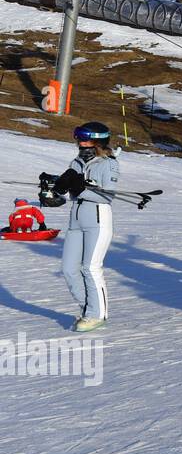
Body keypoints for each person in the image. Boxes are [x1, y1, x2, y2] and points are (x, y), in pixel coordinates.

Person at [39, 122, 119, 332]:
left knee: (90, 268)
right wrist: (54, 189)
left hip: (97, 217)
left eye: (86, 139)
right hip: (76, 219)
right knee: (69, 269)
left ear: (99, 141)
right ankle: (88, 310)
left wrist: (80, 188)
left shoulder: (108, 164)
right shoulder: (77, 161)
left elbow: (107, 195)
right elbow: (68, 190)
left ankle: (97, 315)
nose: (81, 143)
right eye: (79, 139)